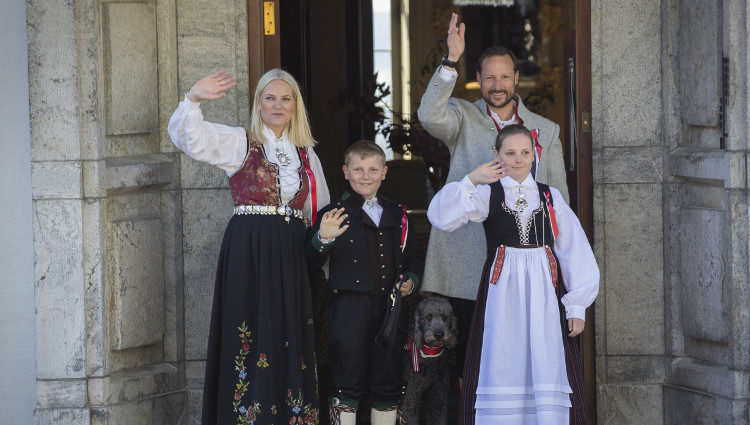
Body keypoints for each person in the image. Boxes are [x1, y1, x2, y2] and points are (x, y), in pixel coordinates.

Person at [417, 11, 570, 396]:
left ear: (516, 79)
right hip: (468, 259)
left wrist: (560, 266)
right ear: (479, 80)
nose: (497, 85)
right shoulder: (463, 117)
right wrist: (451, 60)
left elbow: (557, 202)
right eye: (489, 77)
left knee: (519, 357)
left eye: (504, 77)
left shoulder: (546, 131)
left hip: (527, 265)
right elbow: (428, 114)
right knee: (471, 356)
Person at [168, 69, 330, 425]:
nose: (278, 105)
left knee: (287, 333)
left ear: (295, 106)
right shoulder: (240, 142)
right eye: (269, 98)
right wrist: (193, 98)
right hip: (250, 250)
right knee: (249, 331)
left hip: (290, 252)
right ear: (258, 103)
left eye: (285, 98)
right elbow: (190, 138)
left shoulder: (306, 155)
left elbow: (318, 213)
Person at [427, 124, 598, 424]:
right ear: (497, 155)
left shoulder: (549, 197)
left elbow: (574, 249)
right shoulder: (486, 193)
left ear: (535, 155)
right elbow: (440, 216)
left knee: (545, 358)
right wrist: (470, 180)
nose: (518, 159)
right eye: (510, 153)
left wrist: (577, 305)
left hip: (545, 293)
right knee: (502, 355)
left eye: (524, 152)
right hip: (502, 294)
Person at [304, 140, 424, 425]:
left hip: (390, 310)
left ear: (384, 172)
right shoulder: (333, 214)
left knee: (388, 379)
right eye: (358, 169)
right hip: (348, 309)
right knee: (347, 378)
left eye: (373, 169)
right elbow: (308, 263)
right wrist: (322, 238)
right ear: (345, 172)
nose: (366, 176)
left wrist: (410, 280)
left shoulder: (398, 215)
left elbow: (415, 259)